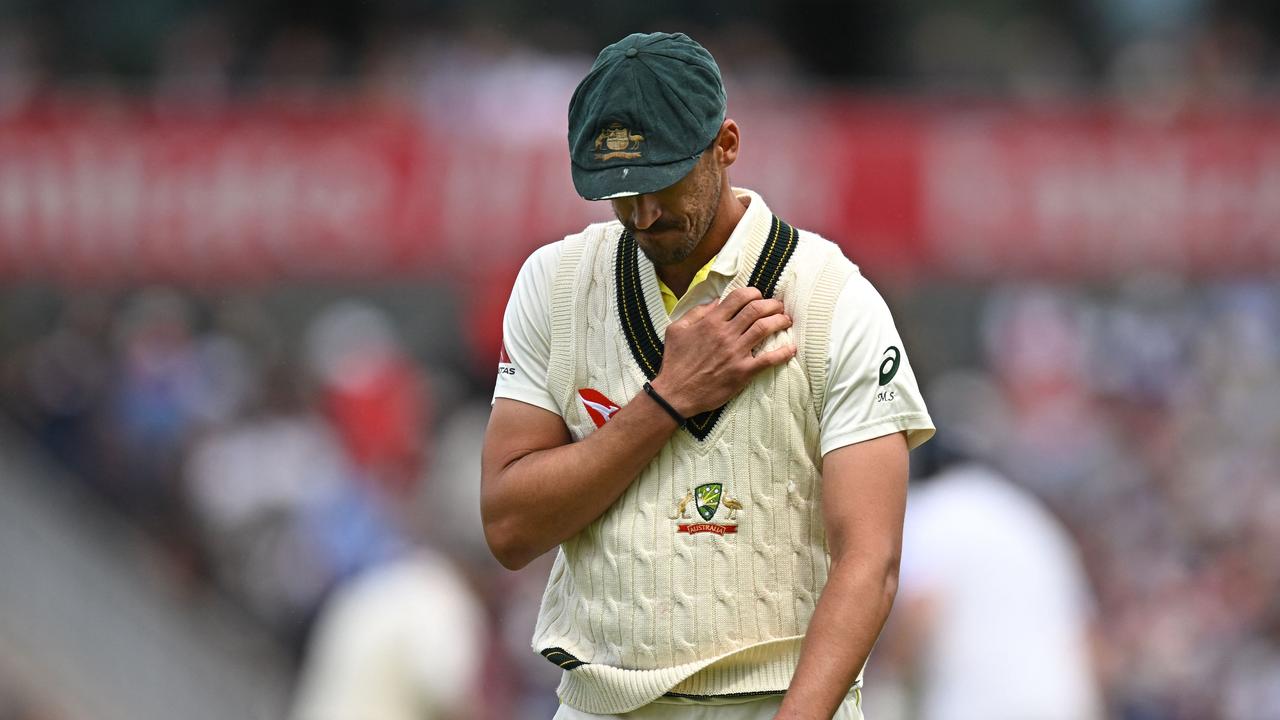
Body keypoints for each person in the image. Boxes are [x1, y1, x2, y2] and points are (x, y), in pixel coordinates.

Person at [482, 31, 934, 719]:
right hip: (599, 701)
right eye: (618, 191)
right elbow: (510, 529)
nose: (642, 213)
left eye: (661, 179)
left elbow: (869, 561)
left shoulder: (832, 299)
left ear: (724, 146)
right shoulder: (555, 285)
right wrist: (665, 400)